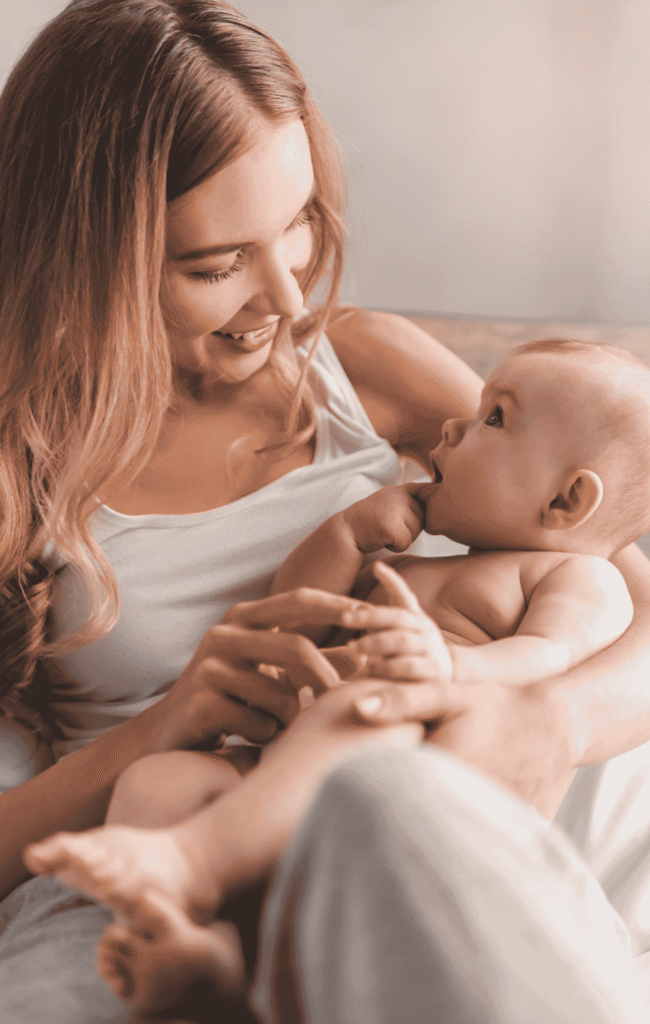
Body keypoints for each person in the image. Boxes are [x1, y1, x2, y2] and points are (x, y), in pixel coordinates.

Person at [2, 0, 650, 1021]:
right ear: (87, 252)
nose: (284, 293)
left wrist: (549, 717)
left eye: (298, 222)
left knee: (383, 811)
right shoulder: (22, 463)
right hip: (157, 824)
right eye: (214, 265)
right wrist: (170, 721)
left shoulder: (364, 368)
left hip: (398, 774)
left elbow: (615, 579)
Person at [24, 337, 650, 1020]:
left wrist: (452, 668)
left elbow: (548, 658)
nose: (452, 426)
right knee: (157, 782)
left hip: (424, 776)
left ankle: (192, 859)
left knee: (364, 714)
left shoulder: (580, 577)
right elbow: (293, 623)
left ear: (566, 500)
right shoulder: (423, 565)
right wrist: (342, 540)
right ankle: (208, 944)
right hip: (288, 768)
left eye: (493, 419)